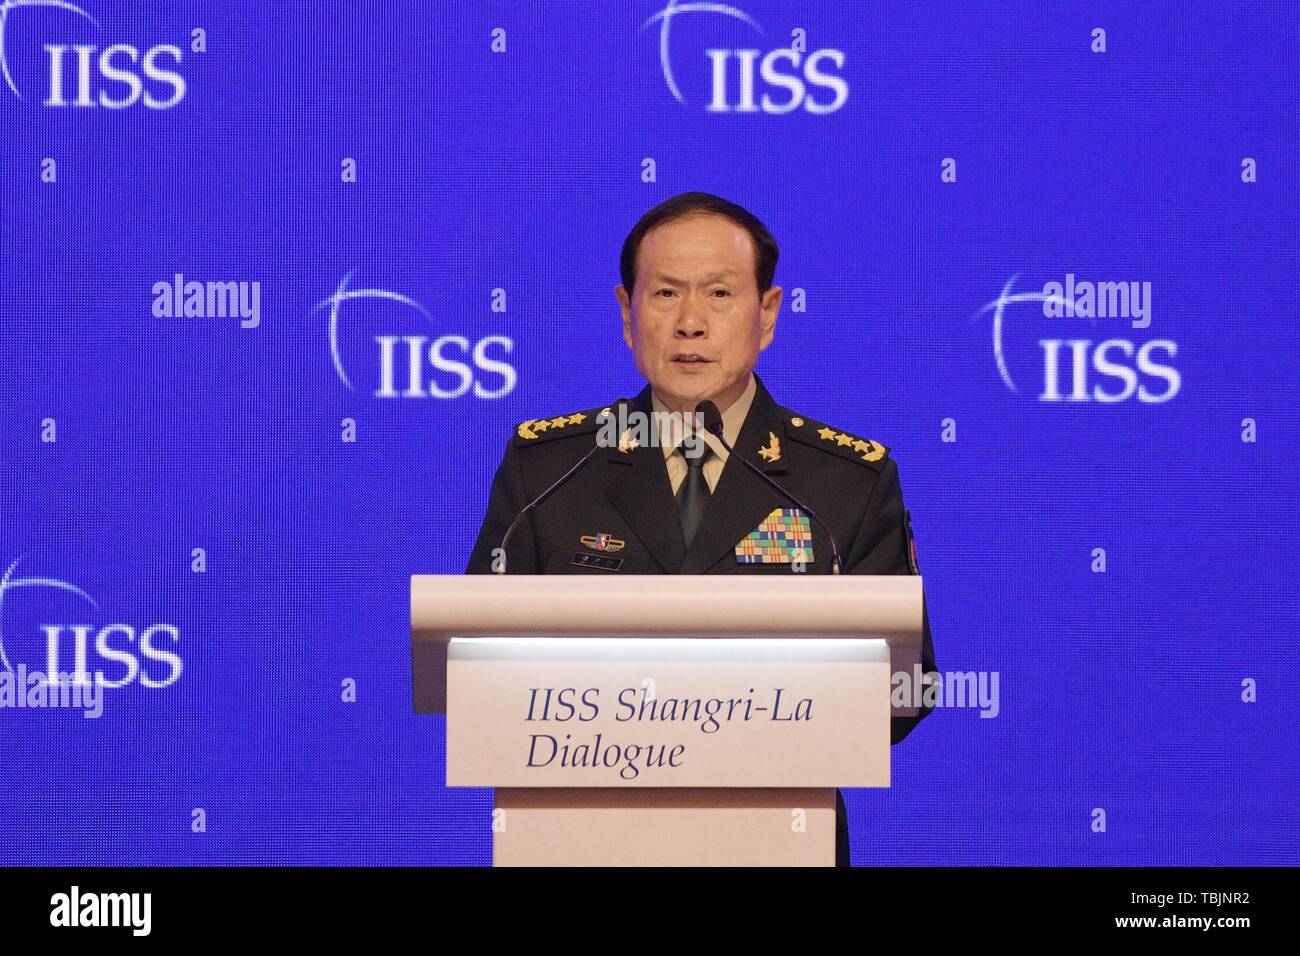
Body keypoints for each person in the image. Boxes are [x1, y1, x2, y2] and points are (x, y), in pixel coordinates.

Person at [465, 191, 937, 866]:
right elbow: (475, 670)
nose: (690, 323)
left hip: (777, 843)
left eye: (718, 294)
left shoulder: (847, 482)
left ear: (767, 314)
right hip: (581, 843)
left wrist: (758, 713)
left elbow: (908, 689)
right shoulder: (550, 472)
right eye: (664, 295)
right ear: (627, 314)